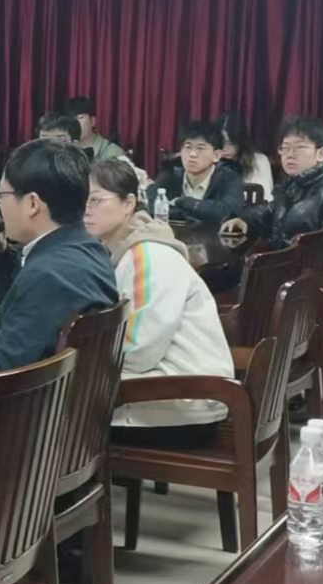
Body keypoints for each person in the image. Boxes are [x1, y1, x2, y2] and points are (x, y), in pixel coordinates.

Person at [0, 140, 118, 374]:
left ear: (32, 203)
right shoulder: (90, 249)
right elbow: (28, 313)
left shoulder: (46, 274)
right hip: (72, 392)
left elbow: (3, 370)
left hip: (31, 396)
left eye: (2, 195)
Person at [85, 158, 234, 447]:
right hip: (175, 394)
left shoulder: (147, 255)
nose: (85, 210)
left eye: (95, 200)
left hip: (181, 408)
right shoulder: (128, 252)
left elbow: (138, 350)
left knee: (53, 416)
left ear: (128, 204)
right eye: (81, 200)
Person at [224, 117, 323, 261]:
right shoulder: (296, 182)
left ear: (321, 154)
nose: (290, 154)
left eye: (299, 148)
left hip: (301, 271)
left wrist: (283, 258)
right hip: (282, 262)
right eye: (285, 148)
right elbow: (270, 211)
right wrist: (245, 221)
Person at [153, 119, 246, 227]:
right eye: (188, 147)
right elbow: (152, 204)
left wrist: (184, 202)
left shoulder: (230, 178)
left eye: (200, 148)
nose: (192, 154)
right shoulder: (171, 173)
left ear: (216, 155)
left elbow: (228, 212)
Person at [215, 112, 273, 200]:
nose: (225, 148)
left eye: (230, 143)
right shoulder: (211, 160)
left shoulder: (259, 160)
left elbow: (266, 196)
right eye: (221, 143)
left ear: (240, 141)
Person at [59, 97, 130, 167]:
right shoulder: (61, 150)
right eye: (70, 119)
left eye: (80, 118)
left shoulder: (113, 152)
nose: (74, 123)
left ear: (92, 121)